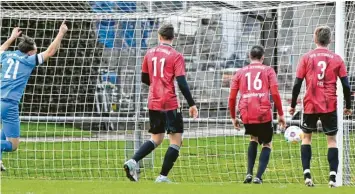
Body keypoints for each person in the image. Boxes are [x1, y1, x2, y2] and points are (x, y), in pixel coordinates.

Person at [123, 24, 198, 183]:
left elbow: (144, 78)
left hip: (154, 101)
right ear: (173, 37)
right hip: (170, 102)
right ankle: (162, 176)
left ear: (159, 36)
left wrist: (156, 84)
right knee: (176, 140)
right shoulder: (176, 55)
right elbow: (182, 82)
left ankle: (133, 161)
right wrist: (192, 104)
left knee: (156, 138)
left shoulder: (149, 53)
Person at [289, 25, 352, 188]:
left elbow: (297, 83)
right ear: (330, 40)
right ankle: (332, 178)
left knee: (307, 138)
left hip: (310, 103)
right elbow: (346, 85)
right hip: (329, 104)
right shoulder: (337, 59)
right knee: (331, 140)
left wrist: (292, 104)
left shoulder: (306, 57)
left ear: (315, 39)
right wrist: (348, 105)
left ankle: (307, 175)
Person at [0, 22, 68, 171]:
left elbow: (1, 49)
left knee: (3, 133)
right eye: (35, 48)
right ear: (30, 52)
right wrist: (61, 33)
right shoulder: (28, 60)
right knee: (12, 146)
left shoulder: (7, 55)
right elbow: (50, 52)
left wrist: (11, 37)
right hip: (9, 103)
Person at [229, 45, 286, 184]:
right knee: (267, 143)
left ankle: (248, 174)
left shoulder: (240, 72)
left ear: (250, 56)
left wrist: (233, 116)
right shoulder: (268, 70)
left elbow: (231, 97)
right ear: (262, 58)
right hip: (263, 110)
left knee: (253, 138)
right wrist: (280, 113)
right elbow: (275, 93)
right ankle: (258, 177)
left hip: (246, 111)